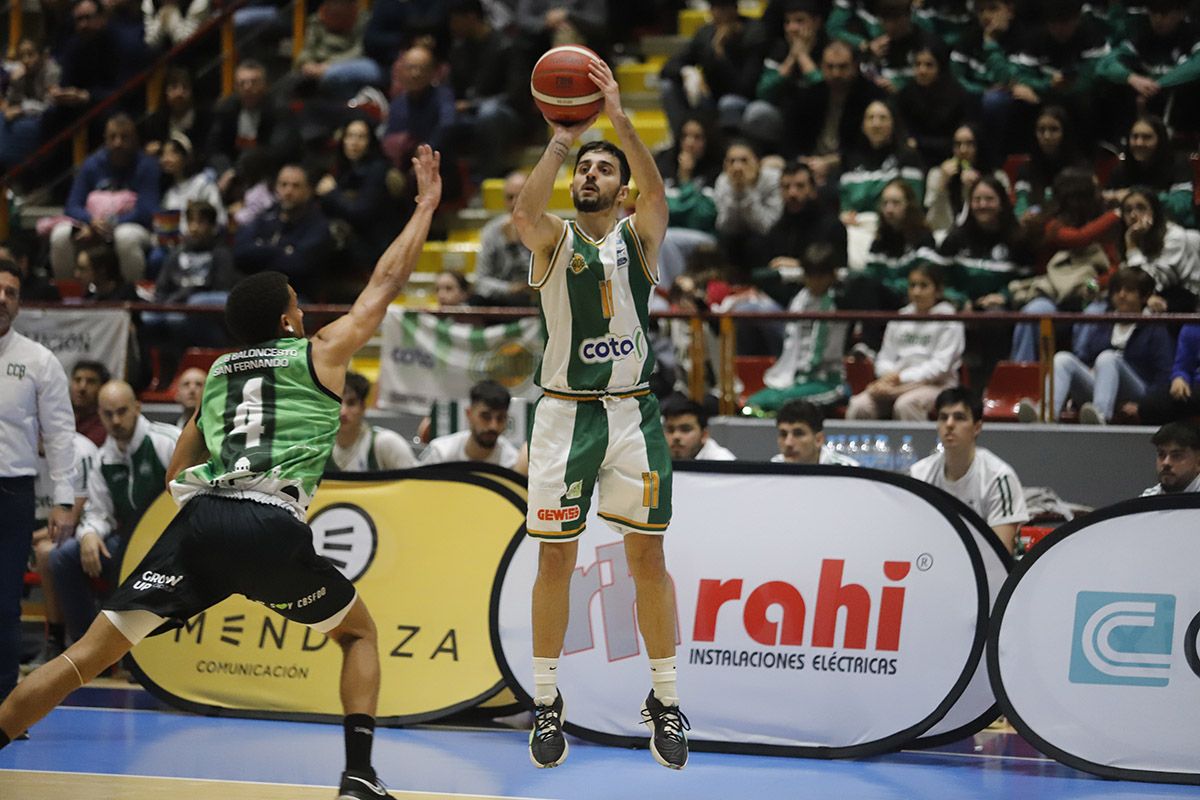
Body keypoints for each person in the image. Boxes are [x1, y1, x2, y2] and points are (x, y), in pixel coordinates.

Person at [0, 145, 443, 800]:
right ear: (289, 318)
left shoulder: (216, 374)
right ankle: (357, 774)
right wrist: (427, 204)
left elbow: (185, 452)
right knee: (356, 633)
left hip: (201, 521)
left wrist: (178, 518)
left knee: (84, 659)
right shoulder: (319, 354)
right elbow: (384, 283)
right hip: (271, 523)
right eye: (298, 304)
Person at [511, 58, 689, 770]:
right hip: (565, 416)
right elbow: (522, 214)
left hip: (634, 417)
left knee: (649, 556)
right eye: (584, 170)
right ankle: (548, 700)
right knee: (558, 561)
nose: (590, 176)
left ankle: (665, 700)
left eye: (602, 170)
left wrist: (619, 124)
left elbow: (659, 191)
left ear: (621, 190)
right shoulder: (553, 240)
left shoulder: (639, 238)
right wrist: (562, 138)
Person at [0, 260, 77, 730]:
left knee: (5, 600)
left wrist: (65, 499)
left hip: (12, 490)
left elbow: (61, 434)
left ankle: (7, 708)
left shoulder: (37, 359)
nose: (2, 298)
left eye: (10, 291)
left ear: (19, 302)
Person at [50, 381, 180, 644]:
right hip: (129, 543)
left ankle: (142, 652)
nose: (116, 420)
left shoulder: (166, 443)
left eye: (122, 411)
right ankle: (86, 646)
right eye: (108, 414)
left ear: (137, 408)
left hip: (172, 543)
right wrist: (88, 534)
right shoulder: (102, 458)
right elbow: (100, 512)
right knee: (63, 556)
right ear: (99, 415)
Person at [1038, 268, 1173, 424]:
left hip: (1137, 393)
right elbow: (1086, 359)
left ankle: (1100, 417)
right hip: (1100, 388)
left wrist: (1145, 406)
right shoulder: (1104, 323)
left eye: (1129, 290)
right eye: (1117, 290)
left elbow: (1164, 375)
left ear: (1143, 296)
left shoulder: (1154, 327)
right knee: (1062, 359)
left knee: (1108, 358)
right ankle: (1046, 415)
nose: (1121, 295)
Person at [910, 386, 1029, 551]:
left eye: (959, 418)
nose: (949, 424)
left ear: (977, 427)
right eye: (943, 417)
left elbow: (1001, 555)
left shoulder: (999, 478)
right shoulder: (920, 474)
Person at [846, 262, 965, 421]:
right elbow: (885, 357)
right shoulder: (900, 317)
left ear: (938, 290)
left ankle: (917, 447)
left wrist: (901, 378)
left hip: (937, 385)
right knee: (859, 405)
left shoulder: (949, 319)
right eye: (912, 285)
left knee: (906, 404)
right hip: (895, 383)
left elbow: (940, 366)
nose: (916, 291)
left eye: (923, 286)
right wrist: (888, 377)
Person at [49, 114, 161, 283]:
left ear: (135, 140)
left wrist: (110, 223)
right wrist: (91, 221)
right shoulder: (92, 164)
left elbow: (147, 210)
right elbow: (72, 205)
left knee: (126, 237)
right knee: (61, 234)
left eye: (124, 137)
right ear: (105, 139)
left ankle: (133, 296)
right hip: (93, 225)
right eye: (113, 137)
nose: (118, 143)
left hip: (133, 227)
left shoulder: (147, 165)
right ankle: (69, 295)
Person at [746, 242, 848, 413]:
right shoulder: (800, 299)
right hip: (795, 379)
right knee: (752, 404)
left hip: (827, 382)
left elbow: (864, 278)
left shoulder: (843, 299)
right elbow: (760, 277)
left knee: (780, 404)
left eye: (820, 276)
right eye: (809, 275)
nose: (814, 282)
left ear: (832, 275)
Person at [27, 431, 98, 670]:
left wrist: (22, 539)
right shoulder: (15, 452)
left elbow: (71, 518)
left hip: (75, 531)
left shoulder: (81, 451)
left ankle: (54, 639)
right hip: (30, 530)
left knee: (47, 553)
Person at [233, 163, 333, 301]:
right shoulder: (266, 217)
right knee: (204, 303)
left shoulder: (318, 226)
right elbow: (240, 252)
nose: (288, 191)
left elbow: (298, 265)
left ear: (308, 191)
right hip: (257, 295)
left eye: (295, 186)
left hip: (297, 299)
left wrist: (260, 251)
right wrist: (281, 250)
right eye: (283, 185)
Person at [1118, 187, 1200, 314]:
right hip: (1153, 295)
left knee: (1147, 311)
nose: (1133, 215)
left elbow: (1152, 283)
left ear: (1154, 212)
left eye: (1141, 208)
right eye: (1128, 210)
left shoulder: (1174, 236)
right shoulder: (1130, 237)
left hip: (1187, 299)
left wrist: (1132, 246)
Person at [419, 379, 520, 469]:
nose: (493, 426)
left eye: (500, 418)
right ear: (469, 414)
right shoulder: (440, 454)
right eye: (485, 416)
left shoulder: (511, 463)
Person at [327, 372, 416, 472]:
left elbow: (415, 484)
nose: (342, 411)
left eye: (351, 403)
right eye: (336, 403)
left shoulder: (387, 443)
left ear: (363, 407)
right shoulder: (318, 448)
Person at [474, 171, 535, 306]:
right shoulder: (492, 231)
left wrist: (514, 246)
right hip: (500, 300)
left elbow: (531, 280)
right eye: (509, 197)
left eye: (519, 197)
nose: (514, 203)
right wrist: (509, 289)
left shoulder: (545, 229)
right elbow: (481, 281)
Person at [1139, 323, 1200, 425]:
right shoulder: (1192, 326)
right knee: (1150, 405)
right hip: (1194, 385)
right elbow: (1182, 365)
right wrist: (1179, 377)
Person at [771, 398, 859, 465]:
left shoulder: (848, 473)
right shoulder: (772, 470)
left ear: (818, 440)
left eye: (798, 434)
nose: (788, 443)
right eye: (783, 434)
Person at [662, 395, 736, 461]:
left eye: (685, 429)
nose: (676, 436)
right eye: (670, 430)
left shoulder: (723, 463)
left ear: (704, 435)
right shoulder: (655, 458)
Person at [1140, 421, 1200, 496]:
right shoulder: (1148, 499)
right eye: (1161, 454)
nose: (1166, 462)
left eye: (1176, 456)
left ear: (1198, 463)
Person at [70, 360, 110, 447]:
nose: (82, 387)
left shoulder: (106, 424)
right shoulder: (61, 418)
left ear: (102, 388)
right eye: (77, 380)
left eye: (90, 382)